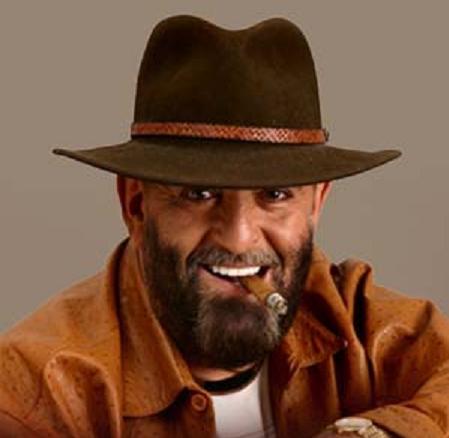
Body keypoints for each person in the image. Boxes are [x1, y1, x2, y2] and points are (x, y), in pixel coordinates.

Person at [0, 14, 448, 438]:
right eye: (199, 194)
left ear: (316, 203)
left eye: (275, 195)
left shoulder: (353, 318)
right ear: (135, 204)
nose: (238, 237)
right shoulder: (32, 390)